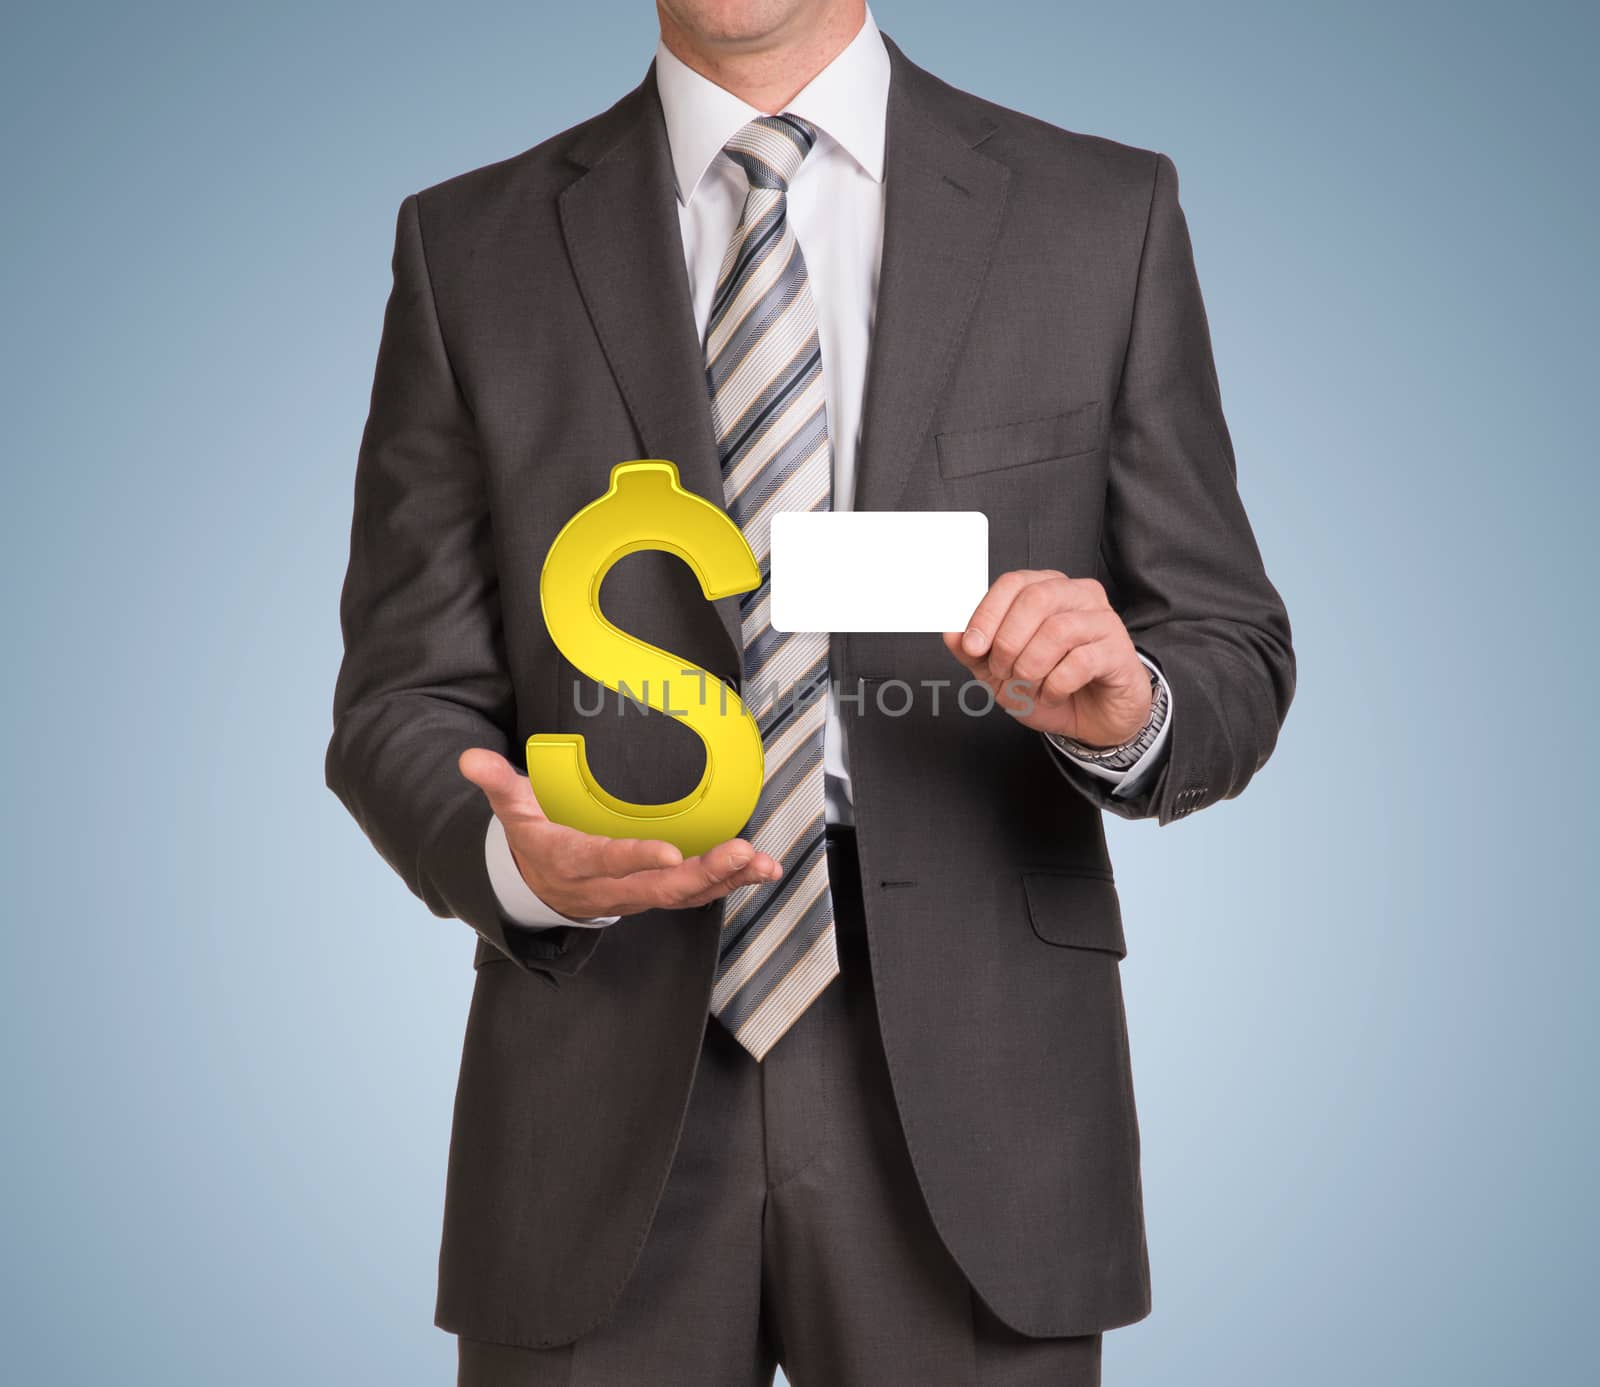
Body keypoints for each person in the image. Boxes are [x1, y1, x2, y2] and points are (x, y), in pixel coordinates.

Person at [325, 3, 1295, 1382]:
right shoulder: (468, 247)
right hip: (594, 1082)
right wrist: (515, 860)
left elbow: (1229, 643)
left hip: (979, 1101)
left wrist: (1132, 705)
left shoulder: (1100, 215)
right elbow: (398, 695)